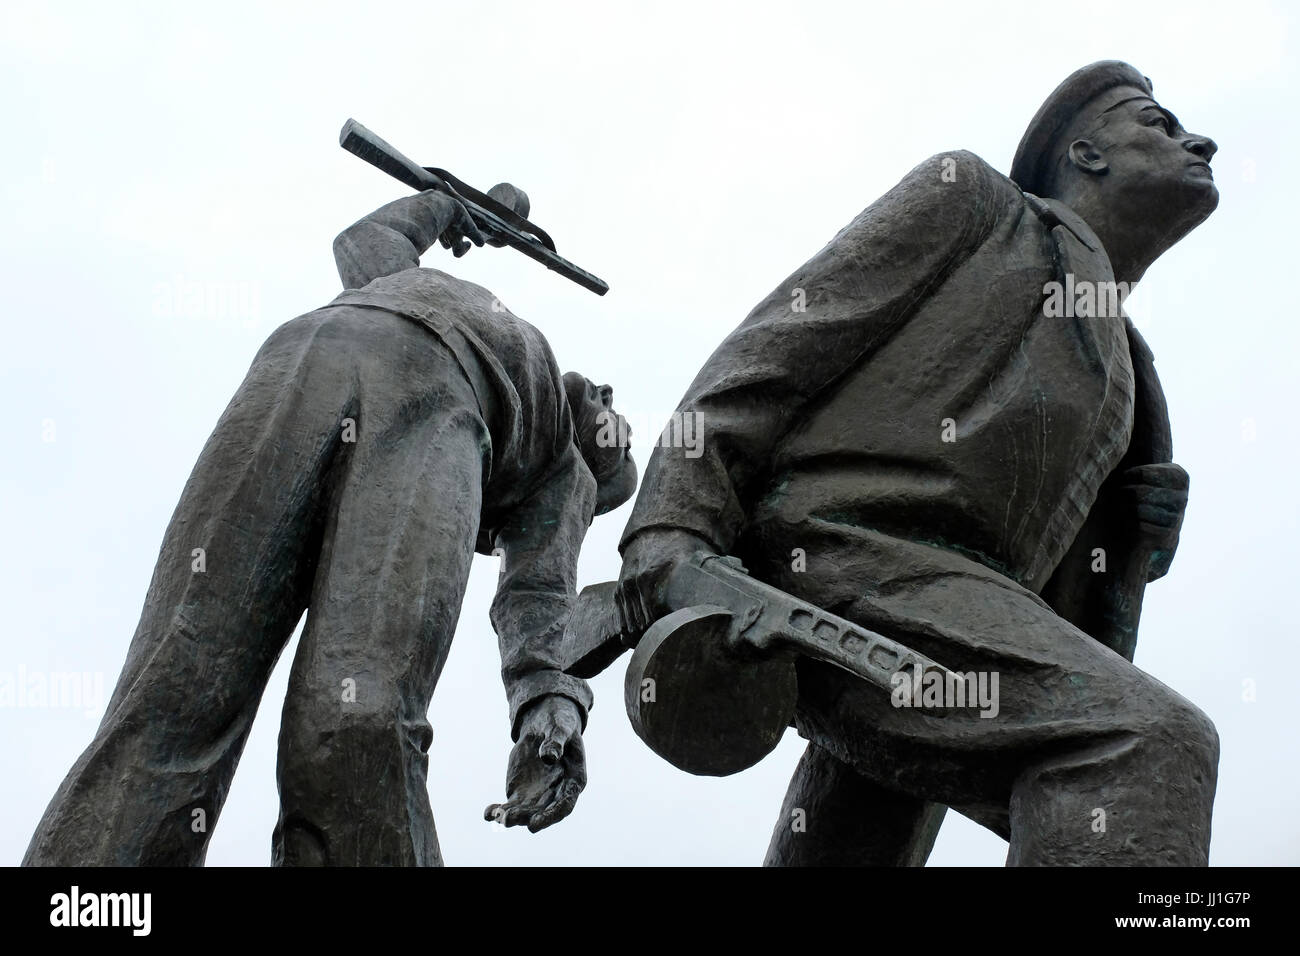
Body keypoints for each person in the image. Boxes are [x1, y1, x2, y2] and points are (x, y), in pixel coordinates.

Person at [615, 61, 1220, 866]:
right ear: (1087, 154)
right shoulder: (977, 202)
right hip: (837, 550)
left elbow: (1082, 647)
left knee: (859, 838)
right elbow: (778, 349)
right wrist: (669, 528)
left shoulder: (1136, 379)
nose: (1198, 140)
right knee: (1140, 744)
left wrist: (1134, 549)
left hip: (962, 613)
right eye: (1158, 122)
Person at [24, 184, 636, 866]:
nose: (609, 400)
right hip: (306, 354)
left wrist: (547, 705)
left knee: (355, 716)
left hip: (435, 396)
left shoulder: (557, 466)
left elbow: (540, 595)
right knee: (180, 680)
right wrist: (448, 205)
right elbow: (364, 242)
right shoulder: (412, 286)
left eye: (618, 437)